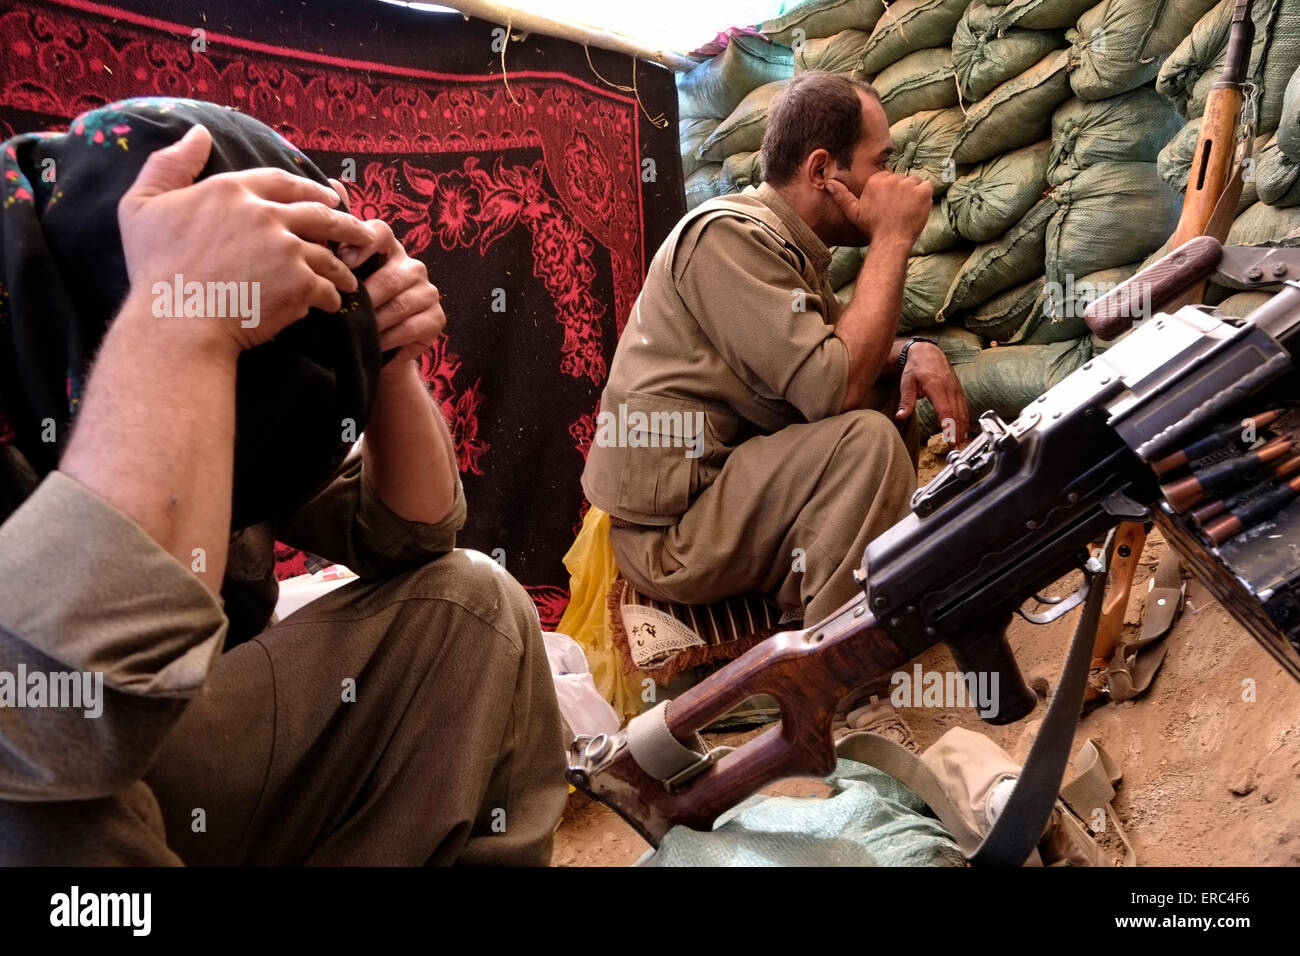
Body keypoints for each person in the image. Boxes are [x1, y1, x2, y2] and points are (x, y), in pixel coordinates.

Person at [0, 98, 566, 865]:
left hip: (173, 747)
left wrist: (384, 359)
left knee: (472, 606)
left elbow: (413, 536)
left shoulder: (254, 386)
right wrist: (179, 324)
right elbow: (62, 720)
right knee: (40, 794)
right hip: (48, 748)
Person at [581, 71, 969, 628]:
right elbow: (833, 388)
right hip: (672, 535)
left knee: (887, 398)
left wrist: (915, 350)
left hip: (721, 498)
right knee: (866, 442)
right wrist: (891, 238)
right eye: (880, 163)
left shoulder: (783, 245)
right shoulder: (727, 237)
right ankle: (846, 669)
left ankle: (875, 595)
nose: (891, 180)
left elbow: (840, 353)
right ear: (820, 171)